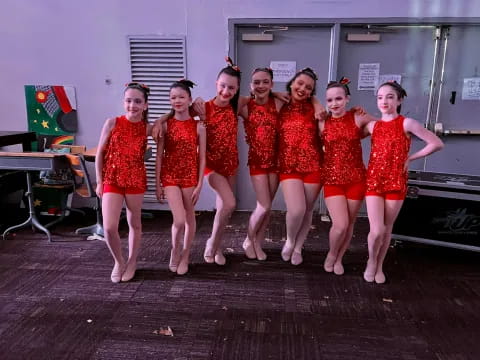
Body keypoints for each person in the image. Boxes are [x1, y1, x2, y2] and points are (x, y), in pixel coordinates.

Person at [363, 81, 444, 284]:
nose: (384, 101)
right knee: (376, 230)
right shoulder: (372, 126)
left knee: (387, 228)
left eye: (390, 96)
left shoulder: (407, 123)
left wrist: (411, 158)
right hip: (374, 180)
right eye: (380, 97)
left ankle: (379, 265)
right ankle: (371, 261)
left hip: (396, 180)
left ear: (399, 100)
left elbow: (436, 143)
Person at [95, 82, 152, 283]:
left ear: (145, 105)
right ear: (123, 102)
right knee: (110, 227)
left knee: (134, 222)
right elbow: (100, 154)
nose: (132, 105)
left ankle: (133, 260)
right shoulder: (112, 123)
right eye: (129, 101)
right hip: (112, 178)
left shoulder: (148, 128)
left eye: (138, 101)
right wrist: (100, 181)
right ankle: (118, 261)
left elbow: (170, 125)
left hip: (135, 179)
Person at [320, 78, 374, 275]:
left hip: (356, 179)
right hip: (333, 180)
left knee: (349, 224)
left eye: (339, 99)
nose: (334, 104)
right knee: (340, 225)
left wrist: (367, 114)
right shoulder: (323, 121)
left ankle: (339, 259)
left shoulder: (357, 118)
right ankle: (332, 254)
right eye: (330, 100)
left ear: (347, 99)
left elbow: (383, 126)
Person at [193, 57, 241, 265]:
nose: (226, 91)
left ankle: (217, 245)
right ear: (216, 83)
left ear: (237, 89)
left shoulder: (236, 106)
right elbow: (175, 112)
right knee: (230, 203)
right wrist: (158, 122)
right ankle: (212, 243)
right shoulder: (204, 107)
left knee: (224, 209)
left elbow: (267, 96)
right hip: (210, 166)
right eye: (223, 86)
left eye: (231, 87)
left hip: (230, 164)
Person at [155, 79, 206, 275]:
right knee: (179, 220)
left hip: (190, 175)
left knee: (190, 217)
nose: (177, 101)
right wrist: (157, 182)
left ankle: (186, 254)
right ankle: (175, 250)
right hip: (170, 175)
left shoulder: (199, 126)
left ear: (189, 99)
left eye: (181, 97)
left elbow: (202, 157)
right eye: (173, 97)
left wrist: (200, 183)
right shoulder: (165, 125)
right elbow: (160, 154)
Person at [278, 67, 323, 266]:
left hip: (313, 164)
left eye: (308, 88)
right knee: (296, 210)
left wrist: (316, 102)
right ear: (291, 83)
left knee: (307, 210)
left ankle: (298, 246)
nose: (303, 89)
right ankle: (289, 240)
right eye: (300, 84)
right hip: (289, 165)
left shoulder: (315, 107)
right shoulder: (280, 103)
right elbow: (258, 97)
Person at [237, 67, 283, 261]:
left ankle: (258, 241)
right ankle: (248, 239)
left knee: (268, 206)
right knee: (263, 206)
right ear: (250, 85)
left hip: (276, 161)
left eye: (266, 82)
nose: (261, 85)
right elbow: (227, 102)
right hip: (257, 162)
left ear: (272, 84)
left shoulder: (279, 103)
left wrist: (276, 93)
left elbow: (301, 96)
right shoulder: (246, 106)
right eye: (256, 82)